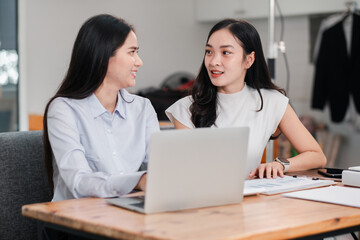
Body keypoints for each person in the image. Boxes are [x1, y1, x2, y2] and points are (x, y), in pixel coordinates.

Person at [166, 19, 326, 178]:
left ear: (249, 60)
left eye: (225, 53)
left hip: (252, 198)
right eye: (209, 52)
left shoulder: (272, 101)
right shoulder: (186, 108)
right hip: (203, 200)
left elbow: (317, 156)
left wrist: (280, 165)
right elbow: (187, 171)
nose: (214, 61)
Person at [43, 14, 159, 202]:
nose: (139, 61)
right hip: (78, 220)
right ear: (104, 55)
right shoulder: (63, 110)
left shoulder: (142, 108)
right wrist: (136, 181)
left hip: (126, 212)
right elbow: (79, 181)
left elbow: (161, 168)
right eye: (132, 52)